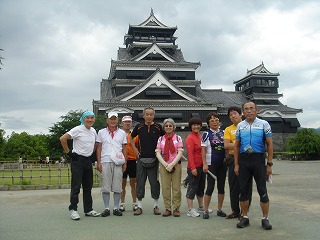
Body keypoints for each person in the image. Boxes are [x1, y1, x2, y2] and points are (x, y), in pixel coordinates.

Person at [234, 101, 273, 230]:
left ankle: (265, 218)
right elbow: (237, 146)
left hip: (258, 159)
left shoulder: (264, 124)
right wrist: (236, 164)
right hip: (244, 160)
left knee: (262, 189)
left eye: (251, 108)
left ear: (257, 110)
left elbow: (270, 145)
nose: (249, 111)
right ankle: (244, 217)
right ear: (243, 112)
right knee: (243, 190)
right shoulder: (240, 125)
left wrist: (269, 164)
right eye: (246, 109)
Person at [59, 111, 101, 220]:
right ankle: (73, 209)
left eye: (92, 118)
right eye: (87, 118)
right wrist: (69, 153)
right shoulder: (77, 129)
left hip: (87, 160)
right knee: (76, 186)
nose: (90, 120)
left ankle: (88, 209)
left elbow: (95, 143)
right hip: (78, 160)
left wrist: (93, 154)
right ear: (83, 119)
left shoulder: (93, 131)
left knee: (88, 187)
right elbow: (63, 139)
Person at [130, 107, 165, 216]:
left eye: (151, 114)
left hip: (154, 159)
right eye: (147, 114)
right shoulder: (139, 127)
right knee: (140, 182)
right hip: (141, 159)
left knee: (154, 182)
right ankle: (139, 206)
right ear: (143, 115)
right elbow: (131, 138)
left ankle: (155, 205)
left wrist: (161, 153)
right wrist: (135, 150)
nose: (149, 116)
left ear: (154, 116)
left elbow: (164, 139)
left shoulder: (158, 127)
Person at [96, 112, 127, 217]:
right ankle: (106, 208)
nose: (113, 121)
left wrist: (125, 162)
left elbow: (124, 148)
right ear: (107, 120)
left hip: (118, 161)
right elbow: (99, 147)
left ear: (117, 120)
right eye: (111, 119)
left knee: (117, 185)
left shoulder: (122, 133)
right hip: (105, 160)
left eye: (115, 119)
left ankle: (116, 208)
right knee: (105, 185)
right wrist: (99, 162)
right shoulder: (101, 132)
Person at [224, 106, 252, 219]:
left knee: (246, 186)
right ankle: (235, 210)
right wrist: (240, 144)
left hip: (246, 159)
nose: (233, 116)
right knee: (233, 186)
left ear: (241, 114)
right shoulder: (228, 129)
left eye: (235, 113)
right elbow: (226, 145)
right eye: (230, 115)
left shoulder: (248, 126)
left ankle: (244, 212)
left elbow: (251, 144)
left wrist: (235, 143)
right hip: (232, 159)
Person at [201, 112, 227, 219]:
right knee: (210, 187)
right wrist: (204, 164)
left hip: (223, 163)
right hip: (211, 164)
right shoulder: (206, 134)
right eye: (212, 120)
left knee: (221, 187)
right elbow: (203, 149)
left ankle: (219, 209)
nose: (214, 122)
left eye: (216, 120)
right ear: (208, 123)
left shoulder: (224, 132)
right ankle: (206, 210)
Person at [155, 118, 183, 217]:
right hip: (164, 165)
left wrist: (172, 164)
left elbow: (180, 152)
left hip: (176, 165)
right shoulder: (160, 139)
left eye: (170, 125)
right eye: (166, 126)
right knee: (165, 188)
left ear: (173, 127)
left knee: (176, 188)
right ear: (164, 127)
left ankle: (176, 208)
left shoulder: (178, 138)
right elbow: (158, 152)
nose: (168, 127)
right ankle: (167, 208)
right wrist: (165, 165)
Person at [185, 117, 205, 217]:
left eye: (198, 125)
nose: (196, 127)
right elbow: (190, 154)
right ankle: (190, 209)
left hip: (202, 166)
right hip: (194, 167)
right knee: (192, 187)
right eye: (194, 125)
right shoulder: (190, 138)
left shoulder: (200, 136)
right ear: (191, 126)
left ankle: (201, 207)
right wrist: (193, 168)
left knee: (200, 187)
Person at [120, 115, 138, 212]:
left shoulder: (135, 135)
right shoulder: (118, 134)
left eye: (129, 122)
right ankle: (122, 203)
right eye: (125, 122)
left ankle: (135, 203)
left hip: (132, 160)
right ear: (122, 123)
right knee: (122, 183)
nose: (127, 123)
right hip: (121, 161)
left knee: (133, 183)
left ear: (131, 123)